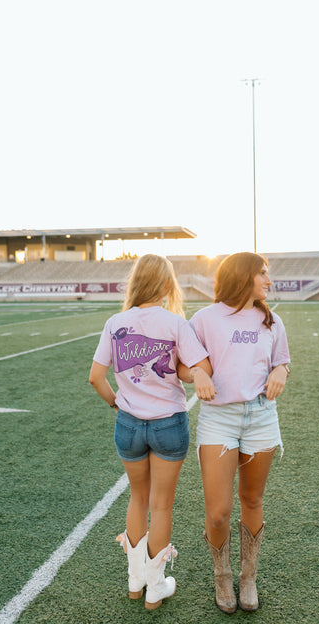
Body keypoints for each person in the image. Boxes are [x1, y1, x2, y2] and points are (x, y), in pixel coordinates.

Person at [89, 254, 215, 611]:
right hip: (168, 424)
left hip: (128, 423)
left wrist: (117, 403)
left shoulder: (115, 322)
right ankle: (156, 587)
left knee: (137, 499)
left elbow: (95, 377)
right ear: (165, 286)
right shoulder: (175, 323)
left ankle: (135, 581)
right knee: (161, 506)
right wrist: (183, 369)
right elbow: (199, 368)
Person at [178, 252, 290, 613]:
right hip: (218, 420)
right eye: (262, 274)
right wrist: (199, 374)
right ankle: (222, 575)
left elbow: (282, 362)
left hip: (260, 417)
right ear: (243, 277)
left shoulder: (272, 321)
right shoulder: (205, 319)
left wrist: (280, 374)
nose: (268, 281)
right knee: (218, 513)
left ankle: (248, 577)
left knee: (253, 500)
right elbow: (183, 365)